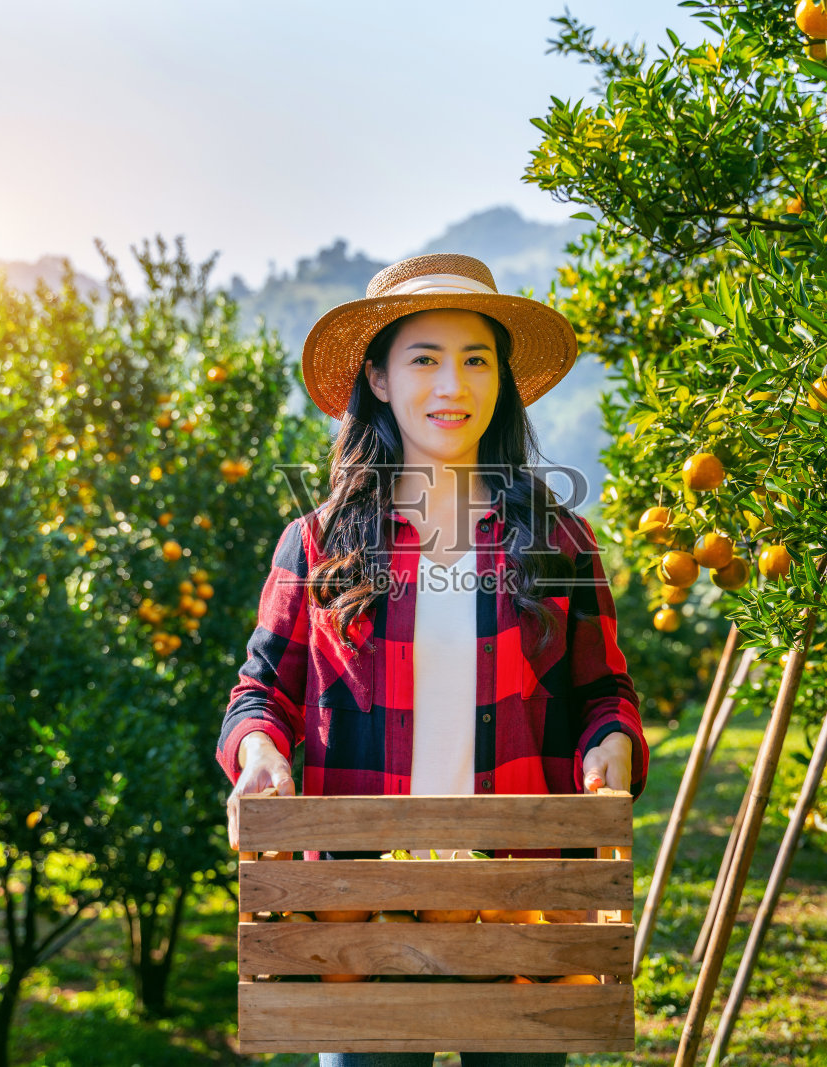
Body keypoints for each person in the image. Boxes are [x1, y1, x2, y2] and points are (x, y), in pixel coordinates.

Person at [214, 252, 649, 1067]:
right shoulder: (319, 543)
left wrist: (612, 743)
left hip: (518, 902)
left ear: (501, 380)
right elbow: (260, 690)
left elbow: (603, 691)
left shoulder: (557, 541)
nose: (454, 384)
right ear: (378, 379)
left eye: (476, 359)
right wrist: (260, 752)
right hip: (359, 909)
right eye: (426, 358)